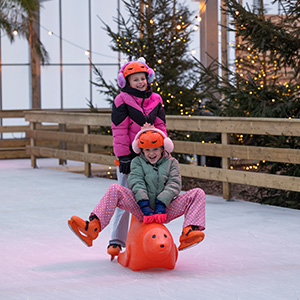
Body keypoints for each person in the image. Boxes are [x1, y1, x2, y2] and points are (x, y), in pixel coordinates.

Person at [68, 126, 206, 254]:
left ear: (163, 148)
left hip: (166, 209)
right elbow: (136, 182)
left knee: (198, 193)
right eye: (147, 150)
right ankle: (93, 227)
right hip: (141, 208)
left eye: (155, 149)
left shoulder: (172, 163)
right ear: (141, 150)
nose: (151, 154)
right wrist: (144, 204)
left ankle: (189, 232)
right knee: (115, 189)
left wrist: (161, 204)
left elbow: (174, 184)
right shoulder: (137, 162)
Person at [109, 57, 167, 257]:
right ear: (126, 82)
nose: (141, 82)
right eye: (135, 79)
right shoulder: (121, 100)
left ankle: (151, 237)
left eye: (143, 78)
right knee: (124, 196)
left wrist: (162, 147)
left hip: (151, 155)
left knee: (151, 197)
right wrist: (123, 156)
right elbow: (119, 130)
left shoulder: (156, 99)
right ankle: (116, 240)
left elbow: (161, 126)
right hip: (130, 158)